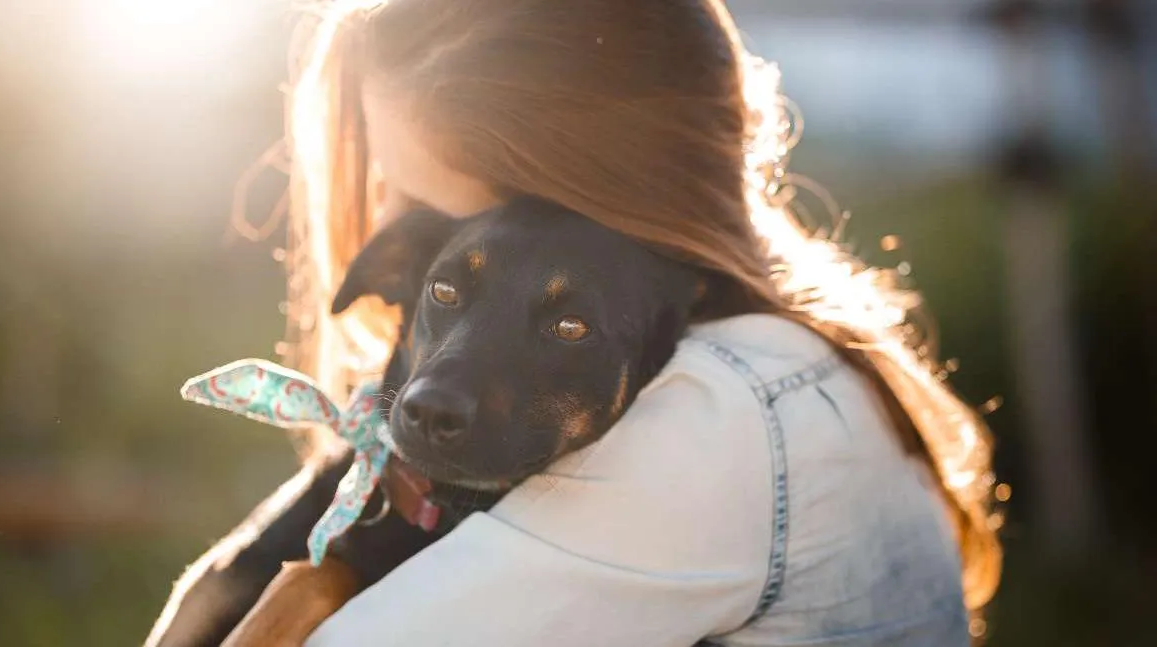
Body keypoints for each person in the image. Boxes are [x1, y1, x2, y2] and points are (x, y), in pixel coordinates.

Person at [232, 0, 1005, 644]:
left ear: (569, 191)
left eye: (424, 198)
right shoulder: (784, 356)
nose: (391, 226)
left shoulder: (706, 426)